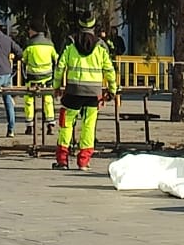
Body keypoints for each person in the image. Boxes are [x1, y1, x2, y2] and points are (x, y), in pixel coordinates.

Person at [54, 20, 117, 171]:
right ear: (94, 27)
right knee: (89, 125)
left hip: (73, 92)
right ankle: (83, 161)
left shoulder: (70, 43)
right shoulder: (101, 46)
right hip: (94, 93)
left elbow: (60, 66)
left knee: (66, 123)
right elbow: (109, 69)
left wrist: (56, 86)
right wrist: (112, 90)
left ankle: (62, 160)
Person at [20, 25, 57, 128]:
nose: (29, 32)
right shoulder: (50, 44)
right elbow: (56, 58)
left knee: (29, 100)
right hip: (47, 77)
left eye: (30, 30)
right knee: (48, 98)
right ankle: (50, 122)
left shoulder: (29, 44)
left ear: (34, 31)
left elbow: (24, 60)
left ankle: (29, 124)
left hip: (32, 77)